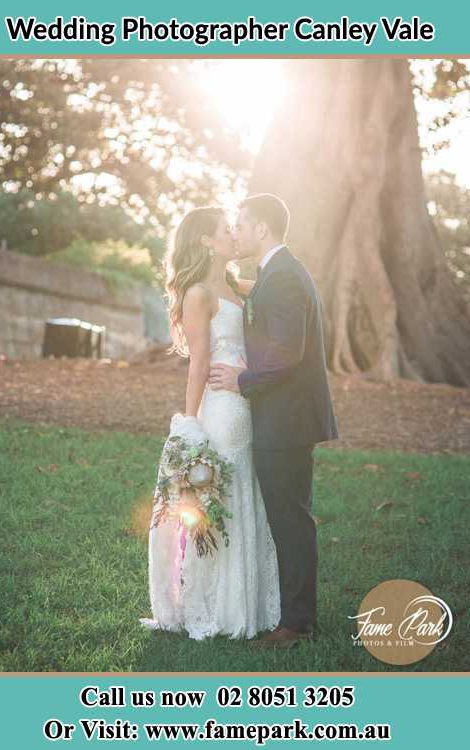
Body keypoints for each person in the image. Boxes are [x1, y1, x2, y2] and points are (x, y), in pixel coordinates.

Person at [139, 206, 280, 640]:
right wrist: (189, 423)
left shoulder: (239, 286)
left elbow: (282, 292)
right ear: (205, 241)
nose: (234, 236)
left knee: (243, 497)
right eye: (225, 231)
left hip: (248, 399)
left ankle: (246, 603)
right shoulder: (200, 293)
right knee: (220, 503)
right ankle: (217, 607)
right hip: (221, 408)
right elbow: (199, 361)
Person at [209, 193, 338, 648]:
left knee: (289, 520)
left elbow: (287, 352)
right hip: (284, 417)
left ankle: (297, 624)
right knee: (289, 517)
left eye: (241, 224)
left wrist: (242, 379)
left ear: (261, 228)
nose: (236, 232)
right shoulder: (275, 274)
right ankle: (296, 615)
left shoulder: (283, 276)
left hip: (286, 419)